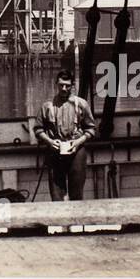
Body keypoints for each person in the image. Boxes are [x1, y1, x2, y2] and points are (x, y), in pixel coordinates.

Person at [34, 70, 97, 201]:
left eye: (67, 86)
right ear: (56, 84)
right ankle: (59, 220)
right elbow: (38, 130)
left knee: (76, 193)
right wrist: (50, 142)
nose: (64, 88)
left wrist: (78, 142)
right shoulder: (47, 106)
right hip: (55, 152)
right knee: (57, 195)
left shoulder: (82, 104)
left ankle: (76, 220)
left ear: (72, 86)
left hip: (77, 151)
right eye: (61, 85)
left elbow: (91, 129)